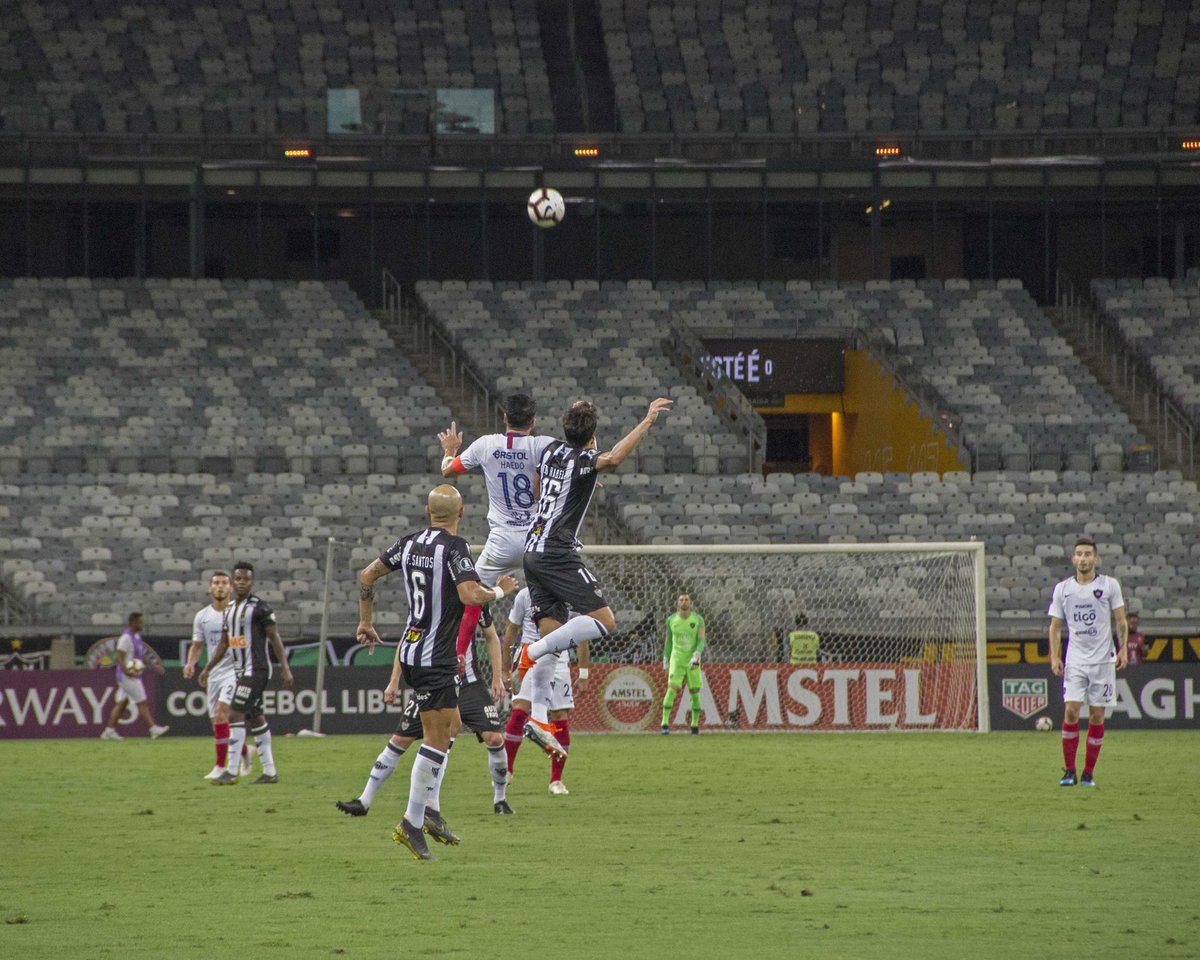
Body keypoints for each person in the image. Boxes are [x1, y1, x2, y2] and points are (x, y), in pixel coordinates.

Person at [356, 484, 518, 861]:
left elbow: (367, 575)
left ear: (426, 512)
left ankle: (429, 812)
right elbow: (469, 595)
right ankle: (412, 822)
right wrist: (499, 591)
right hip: (436, 657)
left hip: (411, 650)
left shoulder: (407, 543)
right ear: (461, 513)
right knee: (435, 739)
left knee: (453, 727)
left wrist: (366, 622)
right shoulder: (456, 548)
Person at [521, 397, 672, 759]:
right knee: (604, 621)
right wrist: (647, 420)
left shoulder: (551, 451)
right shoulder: (585, 460)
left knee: (554, 637)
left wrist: (582, 487)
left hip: (531, 550)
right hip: (557, 552)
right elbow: (616, 457)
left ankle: (538, 718)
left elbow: (543, 486)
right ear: (593, 436)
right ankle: (528, 653)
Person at [335, 613, 514, 819]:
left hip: (469, 683)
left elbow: (491, 636)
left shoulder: (473, 595)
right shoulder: (430, 599)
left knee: (494, 738)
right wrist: (394, 681)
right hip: (436, 681)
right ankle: (364, 801)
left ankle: (500, 800)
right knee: (401, 739)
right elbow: (407, 640)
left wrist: (497, 676)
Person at [438, 394, 556, 668]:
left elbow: (448, 471)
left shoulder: (486, 444)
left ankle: (459, 653)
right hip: (535, 542)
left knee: (472, 595)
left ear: (504, 417)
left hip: (501, 543)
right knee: (554, 596)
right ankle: (545, 654)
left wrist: (449, 450)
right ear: (534, 421)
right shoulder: (543, 446)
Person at [198, 562, 295, 786]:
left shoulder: (261, 609)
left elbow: (274, 638)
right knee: (256, 718)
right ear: (233, 582)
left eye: (246, 579)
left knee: (234, 714)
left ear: (252, 582)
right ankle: (270, 773)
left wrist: (285, 668)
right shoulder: (230, 610)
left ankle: (231, 771)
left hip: (257, 670)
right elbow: (223, 644)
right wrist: (207, 668)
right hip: (240, 671)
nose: (242, 582)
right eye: (238, 579)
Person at [1048, 538, 1128, 787]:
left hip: (1103, 661)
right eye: (1078, 554)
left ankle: (1088, 773)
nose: (1083, 558)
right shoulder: (1063, 589)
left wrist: (1123, 648)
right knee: (1071, 711)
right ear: (1073, 559)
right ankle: (1069, 771)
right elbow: (1055, 626)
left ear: (1096, 559)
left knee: (1096, 717)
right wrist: (1054, 655)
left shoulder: (1109, 585)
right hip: (1075, 661)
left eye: (1087, 554)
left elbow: (1121, 621)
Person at [502, 586, 588, 794]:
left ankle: (556, 780)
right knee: (520, 710)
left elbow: (582, 634)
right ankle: (506, 771)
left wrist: (584, 674)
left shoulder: (569, 593)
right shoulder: (524, 595)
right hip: (529, 653)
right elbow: (511, 629)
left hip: (560, 657)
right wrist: (505, 668)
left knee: (560, 715)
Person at [184, 571, 253, 780]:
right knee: (218, 723)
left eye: (224, 583)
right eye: (216, 583)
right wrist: (190, 663)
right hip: (214, 673)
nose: (220, 586)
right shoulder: (202, 617)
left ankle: (220, 767)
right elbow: (197, 646)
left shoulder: (239, 613)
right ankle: (245, 751)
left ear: (231, 588)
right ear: (210, 588)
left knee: (223, 715)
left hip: (235, 670)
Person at [100, 612, 169, 740]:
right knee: (142, 702)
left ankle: (109, 731)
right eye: (140, 622)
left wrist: (154, 666)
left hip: (133, 675)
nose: (143, 624)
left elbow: (141, 655)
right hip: (128, 676)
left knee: (122, 703)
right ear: (133, 622)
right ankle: (153, 729)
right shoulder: (126, 638)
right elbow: (119, 656)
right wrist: (126, 671)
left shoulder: (136, 637)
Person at [661, 593, 705, 735]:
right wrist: (665, 658)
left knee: (695, 693)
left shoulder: (698, 620)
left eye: (686, 599)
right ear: (677, 603)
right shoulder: (671, 620)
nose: (684, 602)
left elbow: (701, 640)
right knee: (672, 689)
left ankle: (694, 725)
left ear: (690, 603)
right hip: (677, 660)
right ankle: (665, 724)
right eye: (681, 600)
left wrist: (697, 654)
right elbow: (669, 641)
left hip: (692, 660)